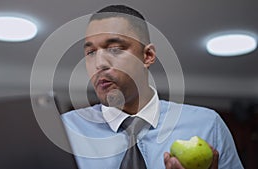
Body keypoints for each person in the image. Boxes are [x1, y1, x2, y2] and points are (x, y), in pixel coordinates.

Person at [61, 4, 243, 169]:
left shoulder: (207, 125)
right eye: (91, 52)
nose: (99, 63)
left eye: (115, 49)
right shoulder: (64, 130)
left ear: (147, 56)